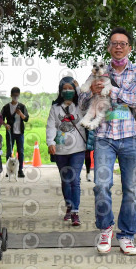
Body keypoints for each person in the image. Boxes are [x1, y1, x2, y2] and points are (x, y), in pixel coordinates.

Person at [79, 27, 136, 255]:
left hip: (131, 138)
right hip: (104, 137)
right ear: (109, 47)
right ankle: (106, 228)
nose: (118, 46)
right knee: (101, 185)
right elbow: (80, 101)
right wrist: (91, 90)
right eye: (114, 43)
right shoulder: (99, 71)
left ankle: (127, 235)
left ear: (129, 47)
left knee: (131, 189)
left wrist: (113, 93)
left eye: (123, 43)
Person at [46, 76, 87, 227]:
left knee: (75, 180)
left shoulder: (81, 106)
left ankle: (75, 212)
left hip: (78, 149)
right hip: (61, 149)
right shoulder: (55, 108)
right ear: (60, 90)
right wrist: (50, 142)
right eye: (65, 89)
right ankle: (69, 206)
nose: (68, 91)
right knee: (66, 180)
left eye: (71, 88)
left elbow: (87, 97)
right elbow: (50, 126)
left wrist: (78, 89)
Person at [1, 87, 29, 178]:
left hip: (20, 132)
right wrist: (5, 125)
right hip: (10, 133)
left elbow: (26, 119)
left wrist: (20, 114)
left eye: (17, 95)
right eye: (14, 95)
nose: (15, 97)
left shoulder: (22, 106)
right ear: (11, 95)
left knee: (20, 151)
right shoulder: (6, 107)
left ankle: (20, 170)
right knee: (9, 152)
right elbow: (0, 119)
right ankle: (8, 170)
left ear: (19, 95)